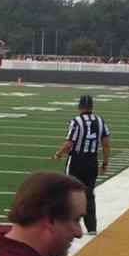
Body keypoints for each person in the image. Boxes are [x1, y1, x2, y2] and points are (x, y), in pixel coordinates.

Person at [52, 94, 110, 235]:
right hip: (92, 160)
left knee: (70, 191)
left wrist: (58, 154)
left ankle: (69, 224)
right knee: (89, 193)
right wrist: (105, 162)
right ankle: (92, 227)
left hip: (77, 160)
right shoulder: (100, 121)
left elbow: (69, 143)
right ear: (92, 106)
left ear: (79, 106)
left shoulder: (76, 122)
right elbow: (106, 144)